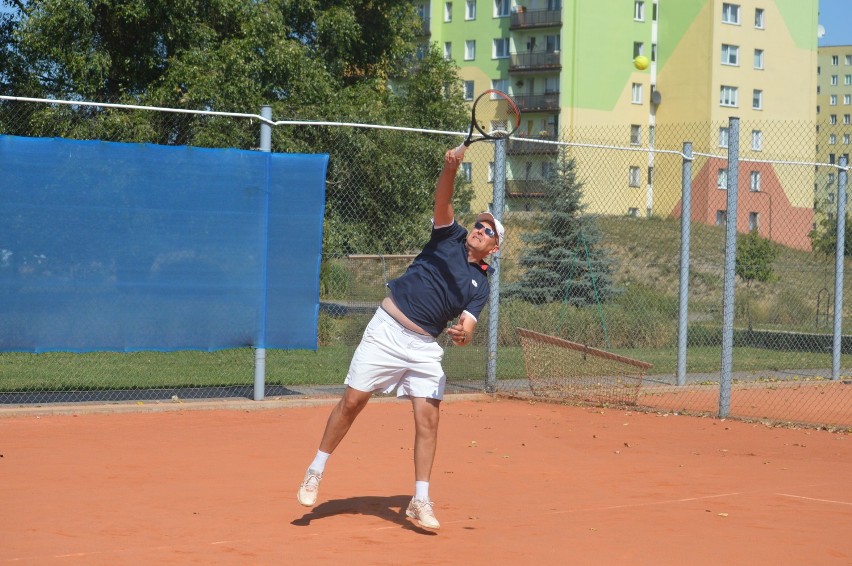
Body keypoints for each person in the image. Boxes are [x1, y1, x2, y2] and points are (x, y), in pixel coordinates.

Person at [296, 146, 505, 531]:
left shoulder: (482, 285)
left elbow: (468, 329)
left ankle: (419, 500)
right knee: (353, 402)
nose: (479, 229)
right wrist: (449, 168)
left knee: (429, 422)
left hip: (424, 347)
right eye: (479, 223)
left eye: (488, 230)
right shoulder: (449, 236)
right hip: (386, 331)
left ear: (494, 248)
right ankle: (315, 470)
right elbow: (443, 198)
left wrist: (461, 334)